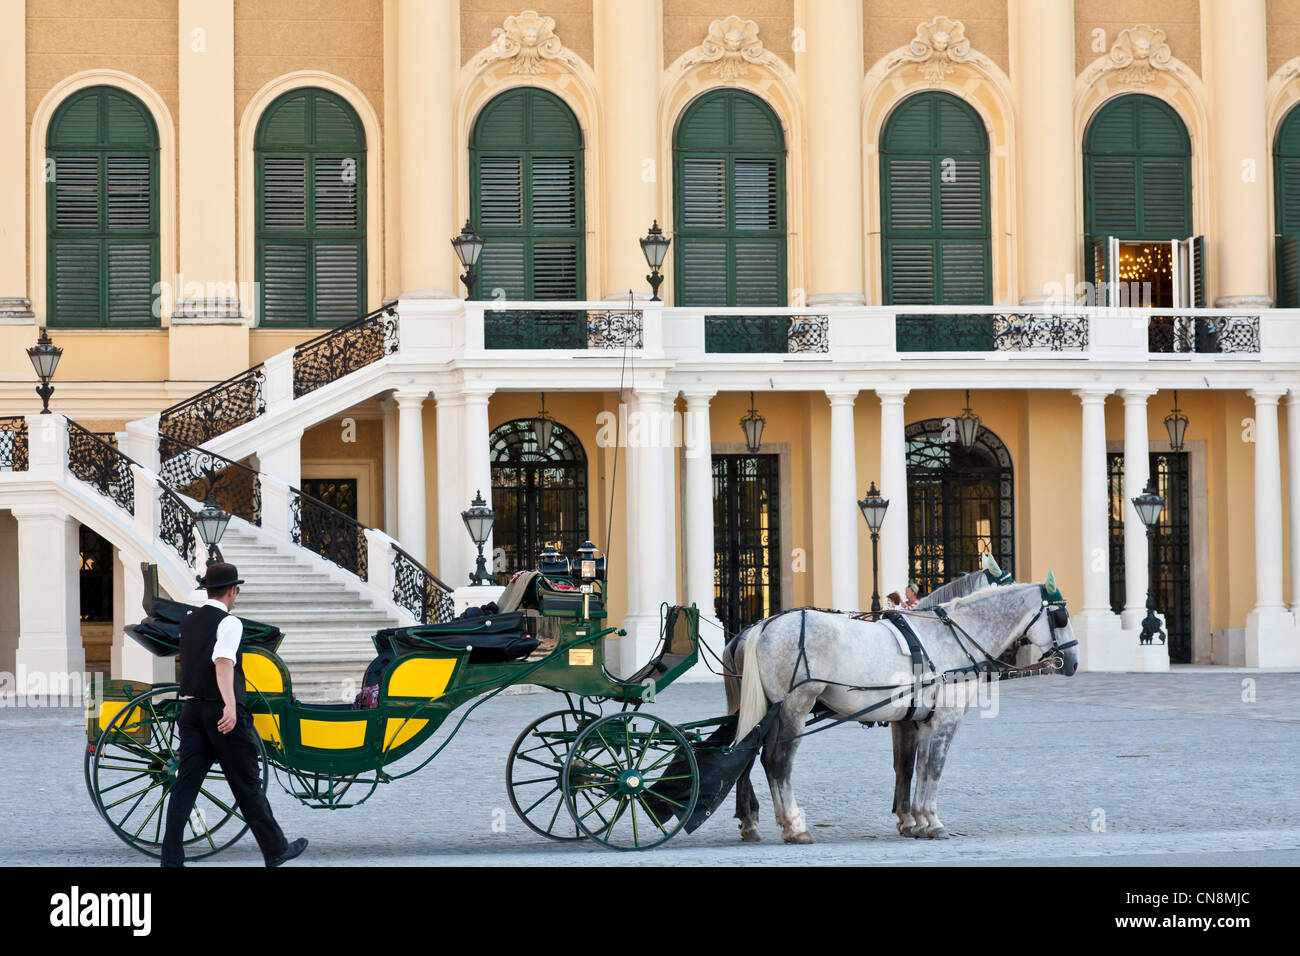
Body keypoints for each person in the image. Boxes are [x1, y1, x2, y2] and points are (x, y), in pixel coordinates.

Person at [160, 562, 307, 867]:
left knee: (185, 785)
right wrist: (229, 705)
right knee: (247, 784)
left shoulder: (188, 622)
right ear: (232, 591)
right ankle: (275, 849)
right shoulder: (230, 623)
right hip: (220, 712)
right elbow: (223, 663)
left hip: (191, 711)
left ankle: (171, 859)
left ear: (207, 590)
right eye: (236, 590)